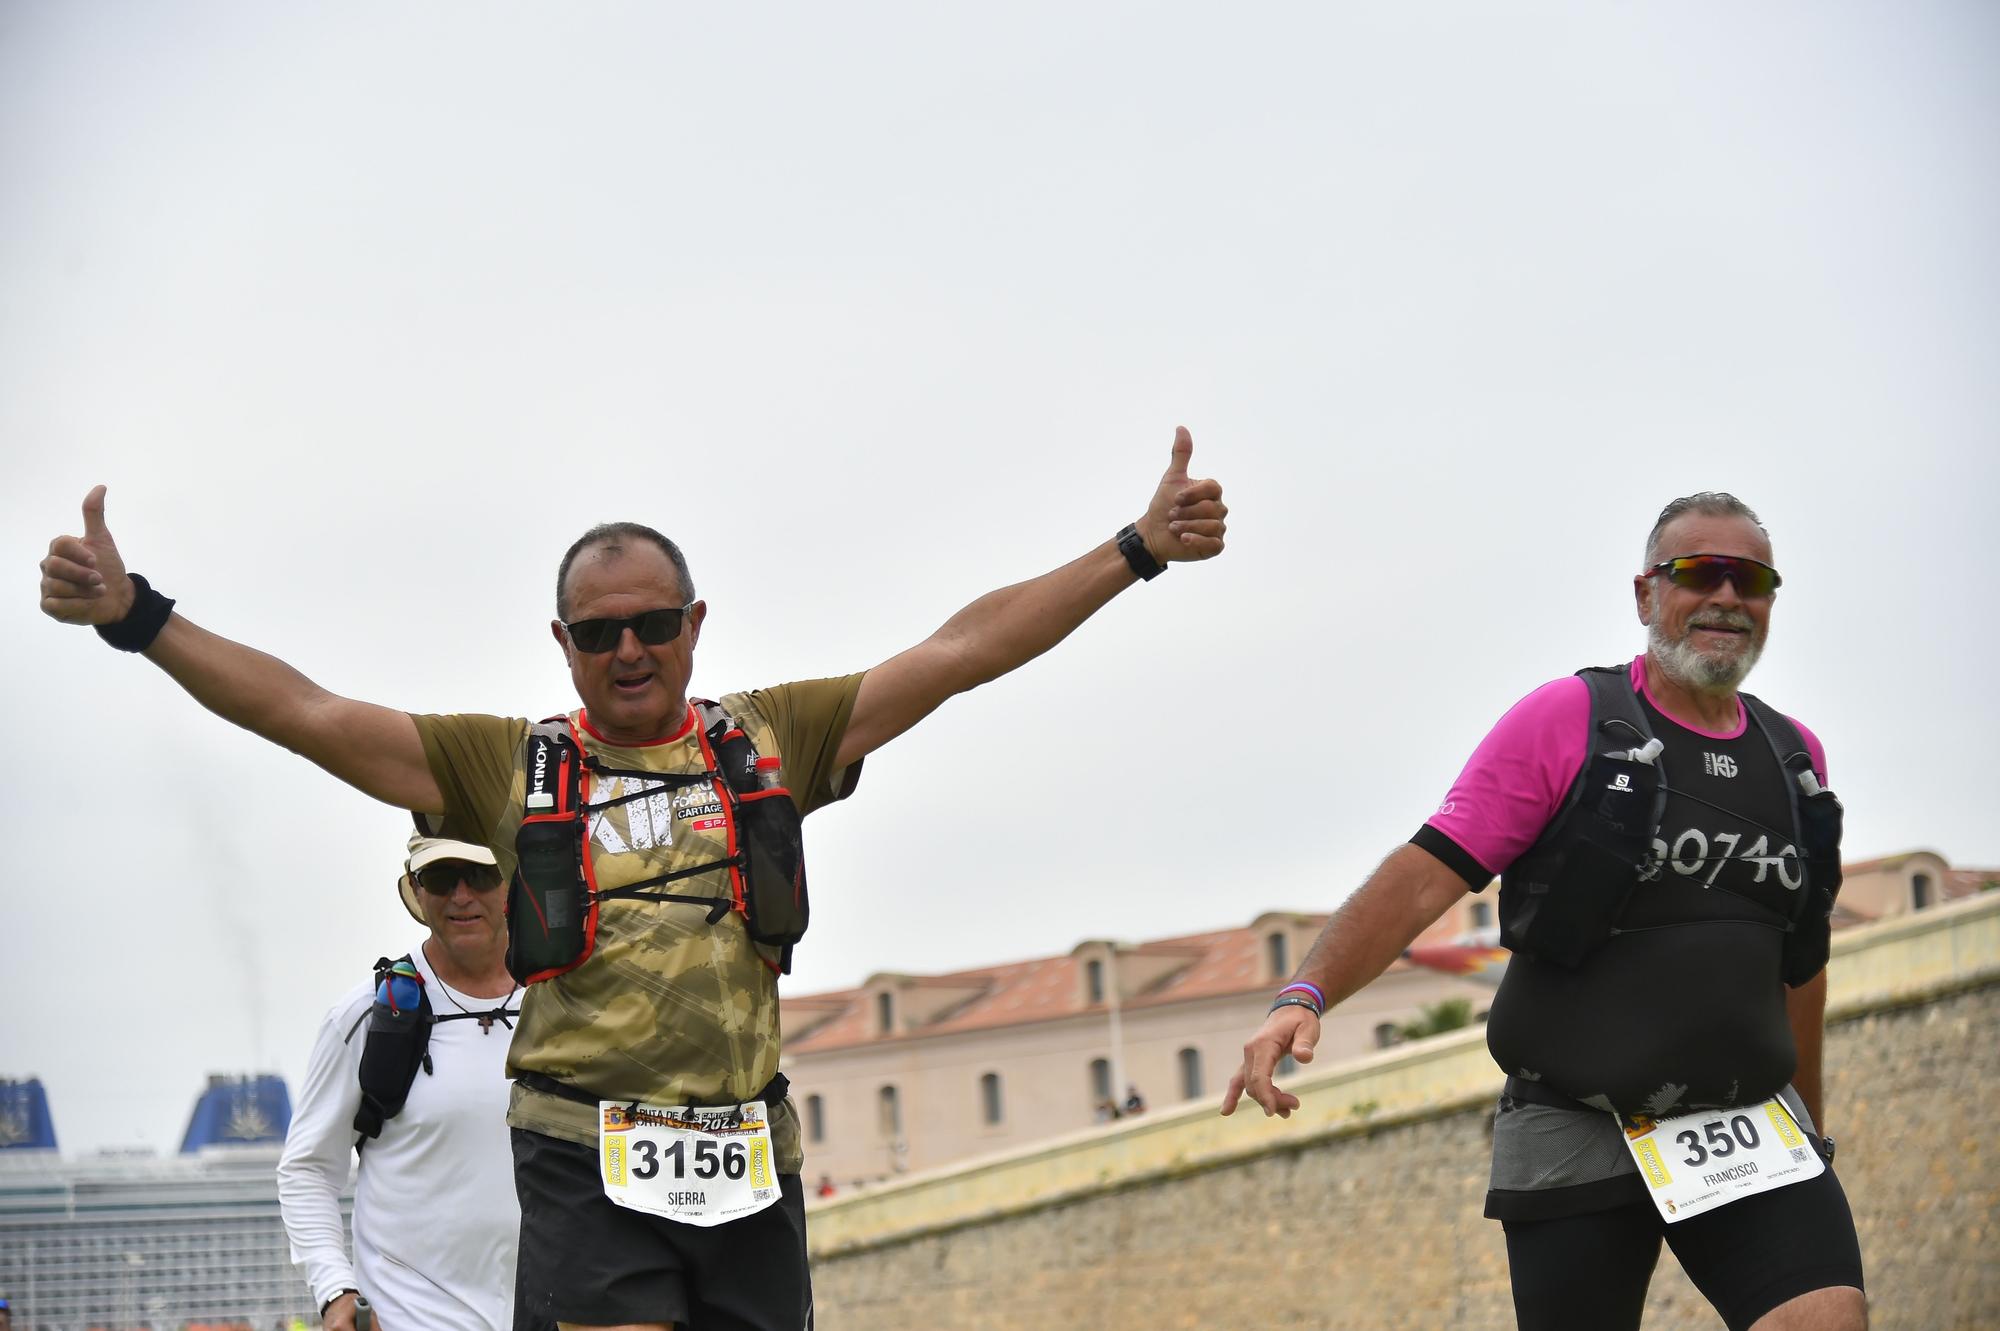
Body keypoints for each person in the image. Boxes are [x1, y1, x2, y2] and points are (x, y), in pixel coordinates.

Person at [40, 428, 1227, 1331]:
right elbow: (303, 711)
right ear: (561, 642)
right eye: (598, 631)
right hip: (584, 1148)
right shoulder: (500, 762)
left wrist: (1133, 552)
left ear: (694, 622)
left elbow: (961, 652)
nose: (628, 650)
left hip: (746, 1142)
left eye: (651, 623)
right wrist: (136, 616)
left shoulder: (769, 738)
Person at [1223, 493, 1865, 1331]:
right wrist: (1302, 995)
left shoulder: (1794, 757)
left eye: (1752, 581)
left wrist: (1808, 1123)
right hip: (1577, 1116)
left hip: (1743, 1119)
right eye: (1699, 573)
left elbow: (1799, 960)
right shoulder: (1570, 721)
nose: (1727, 598)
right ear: (1645, 595)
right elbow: (1425, 876)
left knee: (1828, 1319)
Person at [277, 834, 523, 1331]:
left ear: (514, 882)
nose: (459, 895)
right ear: (415, 887)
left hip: (556, 1311)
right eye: (439, 878)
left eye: (479, 875)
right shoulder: (367, 1014)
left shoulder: (569, 1002)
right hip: (411, 1316)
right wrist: (335, 1291)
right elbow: (307, 1169)